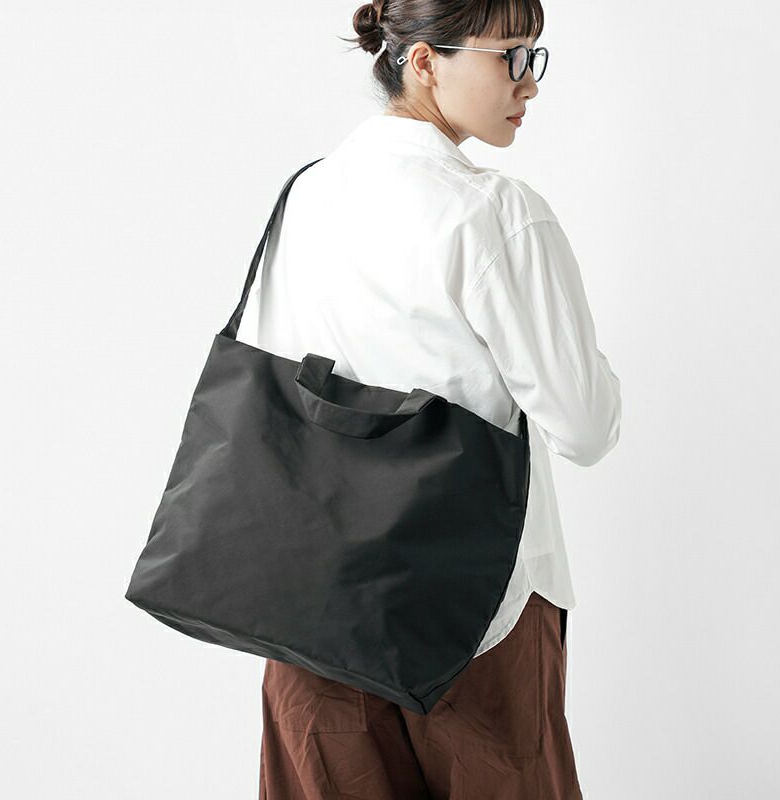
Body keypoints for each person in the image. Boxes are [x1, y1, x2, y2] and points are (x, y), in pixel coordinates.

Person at [240, 1, 622, 797]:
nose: (529, 82)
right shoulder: (496, 213)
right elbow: (585, 426)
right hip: (478, 612)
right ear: (423, 62)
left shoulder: (304, 195)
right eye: (509, 55)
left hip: (311, 599)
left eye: (535, 55)